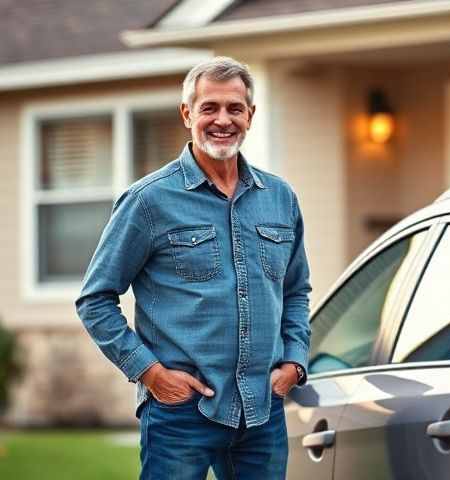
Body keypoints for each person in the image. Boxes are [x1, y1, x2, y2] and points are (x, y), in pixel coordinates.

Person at [75, 56, 311, 480]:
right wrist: (150, 373)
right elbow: (95, 298)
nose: (223, 120)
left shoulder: (280, 198)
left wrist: (293, 362)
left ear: (251, 116)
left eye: (235, 108)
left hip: (261, 412)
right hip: (181, 414)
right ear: (187, 114)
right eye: (209, 108)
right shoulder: (149, 201)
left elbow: (296, 290)